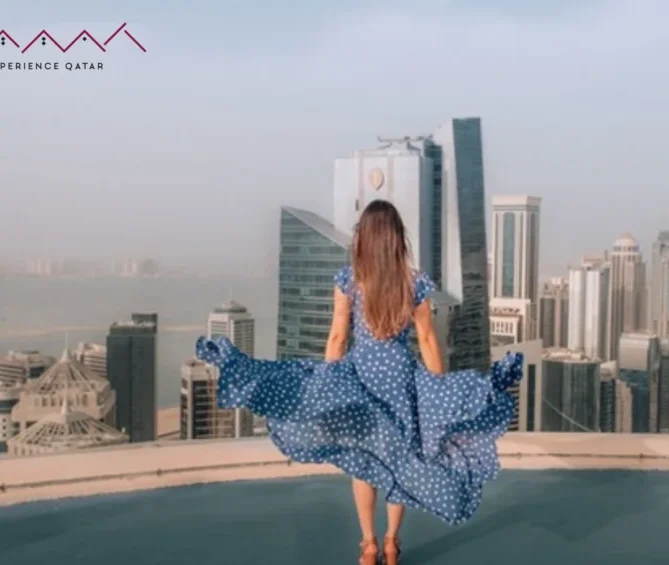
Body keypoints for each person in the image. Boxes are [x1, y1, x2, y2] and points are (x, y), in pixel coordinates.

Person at [196, 199, 523, 565]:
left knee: (363, 459)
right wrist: (438, 390)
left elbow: (337, 337)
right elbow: (428, 339)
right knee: (404, 459)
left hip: (361, 380)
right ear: (397, 238)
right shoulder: (414, 284)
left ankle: (367, 545)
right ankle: (391, 543)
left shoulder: (350, 280)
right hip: (402, 381)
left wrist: (325, 388)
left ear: (363, 238)